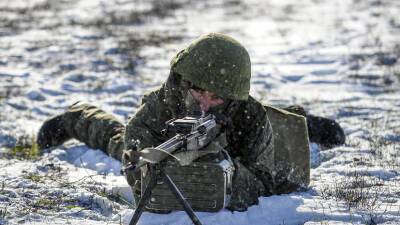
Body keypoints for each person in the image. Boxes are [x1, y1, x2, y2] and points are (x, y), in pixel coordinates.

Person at [37, 33, 345, 211]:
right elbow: (134, 163)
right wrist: (166, 163)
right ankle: (77, 116)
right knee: (117, 142)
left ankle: (298, 118)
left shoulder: (249, 115)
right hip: (167, 145)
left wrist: (224, 170)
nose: (205, 103)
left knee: (285, 154)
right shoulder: (161, 105)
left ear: (231, 98)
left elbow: (263, 183)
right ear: (185, 82)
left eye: (217, 98)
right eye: (199, 91)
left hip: (238, 149)